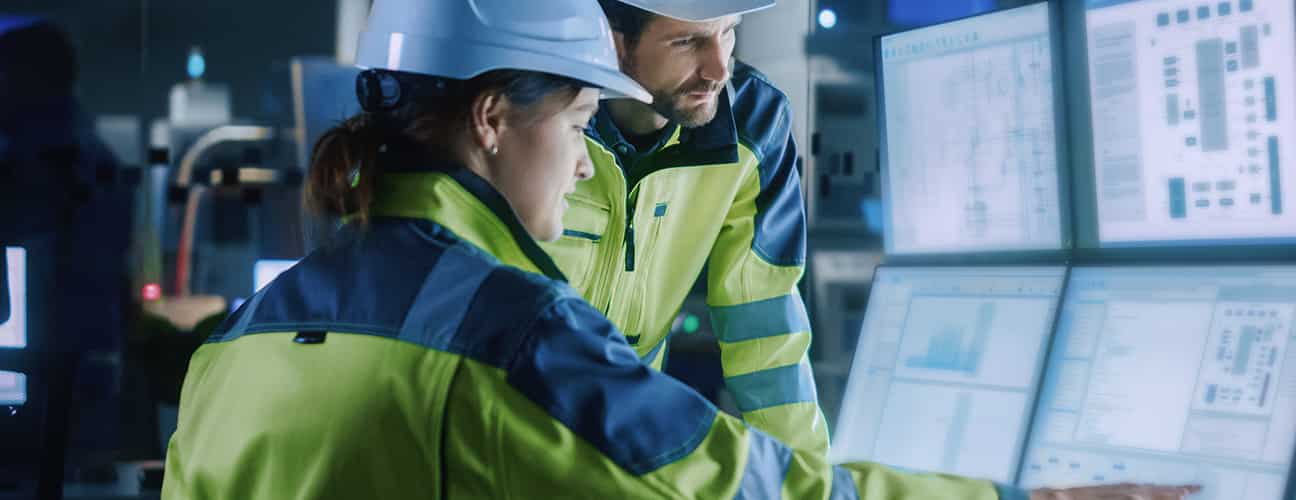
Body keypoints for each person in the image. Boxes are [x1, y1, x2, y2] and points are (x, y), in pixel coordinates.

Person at [163, 0, 1197, 498]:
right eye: (572, 126)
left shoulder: (241, 338)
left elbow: (764, 347)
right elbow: (735, 487)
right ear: (490, 118)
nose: (578, 166)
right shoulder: (511, 342)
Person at [535, 0, 829, 454]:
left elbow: (766, 327)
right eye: (687, 41)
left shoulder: (755, 122)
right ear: (612, 39)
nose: (718, 69)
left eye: (728, 33)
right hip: (515, 420)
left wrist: (809, 478)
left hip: (628, 436)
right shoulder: (536, 117)